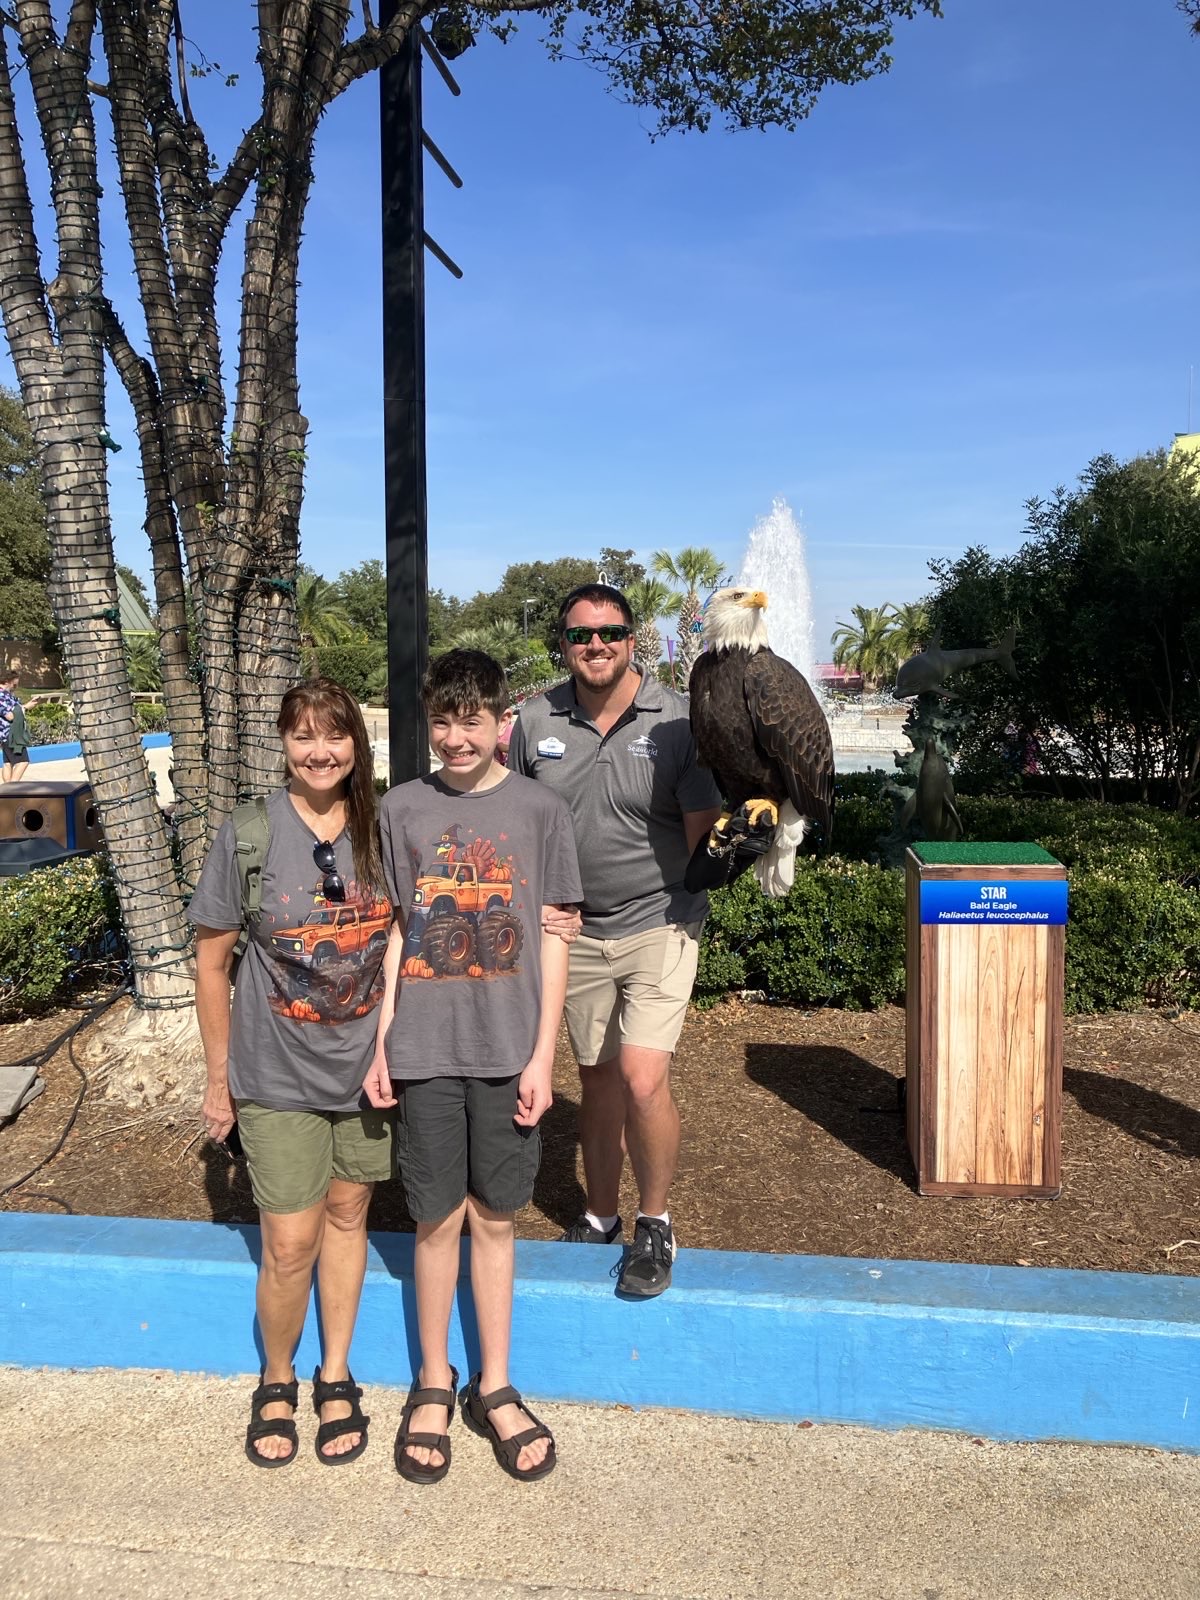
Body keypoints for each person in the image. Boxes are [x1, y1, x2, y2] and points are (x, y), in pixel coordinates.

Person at [364, 649, 581, 1484]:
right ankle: (432, 1379)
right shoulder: (402, 808)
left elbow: (555, 938)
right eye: (443, 722)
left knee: (495, 1217)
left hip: (506, 1050)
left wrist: (542, 1056)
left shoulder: (540, 809)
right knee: (434, 1218)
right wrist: (383, 1041)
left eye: (472, 721)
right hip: (424, 1048)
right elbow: (398, 931)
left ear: (501, 723)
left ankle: (494, 1383)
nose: (456, 738)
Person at [189, 680, 394, 1469]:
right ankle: (276, 1378)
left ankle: (334, 1372)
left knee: (348, 1215)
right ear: (283, 743)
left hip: (365, 1070)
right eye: (304, 736)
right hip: (274, 1072)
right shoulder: (249, 833)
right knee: (288, 1241)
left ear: (355, 745)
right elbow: (212, 966)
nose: (320, 752)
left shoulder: (382, 827)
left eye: (334, 736)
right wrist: (219, 1080)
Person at [508, 584, 723, 1298]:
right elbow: (515, 824)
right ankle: (600, 1215)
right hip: (572, 932)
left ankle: (654, 1222)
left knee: (641, 1076)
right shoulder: (535, 718)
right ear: (563, 645)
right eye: (580, 635)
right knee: (596, 1079)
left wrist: (746, 843)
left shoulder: (679, 720)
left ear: (632, 639)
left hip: (661, 919)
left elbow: (705, 845)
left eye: (609, 633)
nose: (595, 645)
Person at [0, 670, 22, 782]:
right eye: (14, 684)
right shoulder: (1, 696)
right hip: (9, 733)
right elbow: (10, 716)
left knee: (7, 762)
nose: (15, 687)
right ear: (7, 682)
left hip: (6, 734)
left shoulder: (7, 695)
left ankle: (7, 788)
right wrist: (21, 710)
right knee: (23, 762)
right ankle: (12, 789)